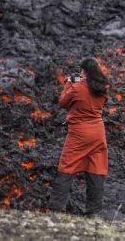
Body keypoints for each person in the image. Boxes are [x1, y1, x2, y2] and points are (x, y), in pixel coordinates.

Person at [48, 58, 110, 216]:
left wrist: (69, 82)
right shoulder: (103, 87)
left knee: (66, 167)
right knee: (96, 169)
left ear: (83, 71)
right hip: (98, 133)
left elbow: (63, 102)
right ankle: (93, 213)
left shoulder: (77, 88)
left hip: (79, 134)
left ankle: (56, 208)